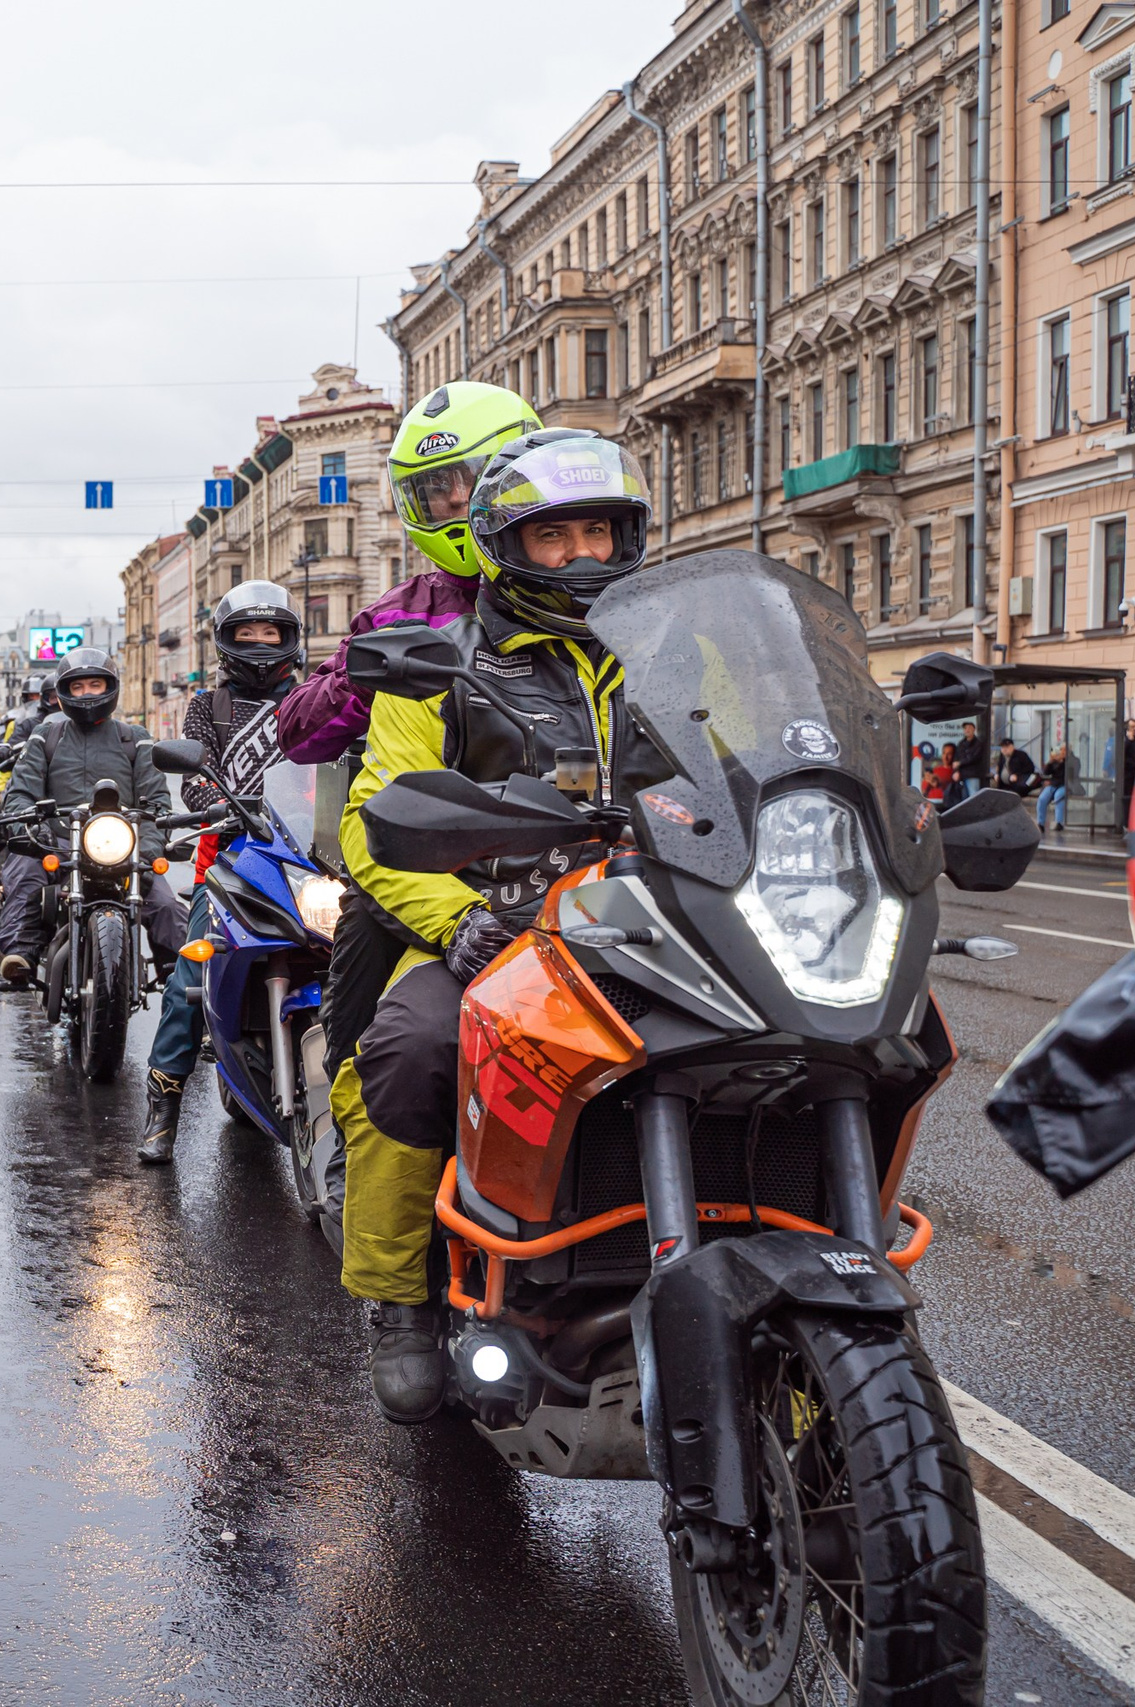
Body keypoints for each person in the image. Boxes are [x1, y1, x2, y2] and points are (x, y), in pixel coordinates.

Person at [328, 429, 653, 1424]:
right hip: (507, 937)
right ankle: (400, 1300)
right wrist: (463, 918)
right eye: (557, 538)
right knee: (413, 1047)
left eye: (599, 531)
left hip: (662, 929)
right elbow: (372, 821)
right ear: (506, 546)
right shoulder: (440, 670)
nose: (585, 556)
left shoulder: (675, 656)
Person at [270, 383, 544, 1081]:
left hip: (569, 856)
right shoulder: (401, 617)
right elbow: (299, 732)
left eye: (469, 484)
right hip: (422, 854)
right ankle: (347, 1120)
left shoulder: (594, 590)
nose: (454, 506)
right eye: (434, 495)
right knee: (376, 1042)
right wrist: (373, 675)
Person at [137, 581, 304, 1164]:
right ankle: (163, 1105)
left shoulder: (311, 698)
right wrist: (223, 805)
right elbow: (196, 775)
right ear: (226, 642)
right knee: (189, 983)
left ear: (289, 638)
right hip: (230, 862)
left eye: (270, 632)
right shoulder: (209, 706)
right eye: (246, 633)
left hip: (307, 860)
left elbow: (343, 759)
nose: (259, 642)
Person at [0, 646, 186, 987]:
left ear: (109, 687)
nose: (86, 694)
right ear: (64, 693)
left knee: (164, 900)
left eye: (95, 685)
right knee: (24, 874)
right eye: (78, 687)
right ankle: (20, 952)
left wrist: (151, 847)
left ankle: (178, 969)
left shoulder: (134, 738)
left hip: (123, 844)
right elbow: (21, 790)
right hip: (59, 841)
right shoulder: (46, 736)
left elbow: (156, 801)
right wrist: (29, 829)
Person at [954, 722, 989, 804]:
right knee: (964, 800)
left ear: (974, 729)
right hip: (962, 775)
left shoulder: (978, 744)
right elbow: (956, 759)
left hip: (973, 775)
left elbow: (974, 758)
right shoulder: (961, 743)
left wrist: (960, 763)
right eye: (965, 728)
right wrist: (956, 771)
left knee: (974, 798)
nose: (967, 730)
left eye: (969, 728)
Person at [1039, 743, 1071, 829]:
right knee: (1042, 798)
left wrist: (1062, 761)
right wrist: (1050, 762)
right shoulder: (1055, 761)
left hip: (1065, 784)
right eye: (1061, 750)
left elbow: (1070, 774)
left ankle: (1059, 822)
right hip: (1054, 784)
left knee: (1059, 796)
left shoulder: (1073, 760)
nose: (1062, 752)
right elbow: (1046, 772)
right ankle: (1040, 823)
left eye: (1064, 750)